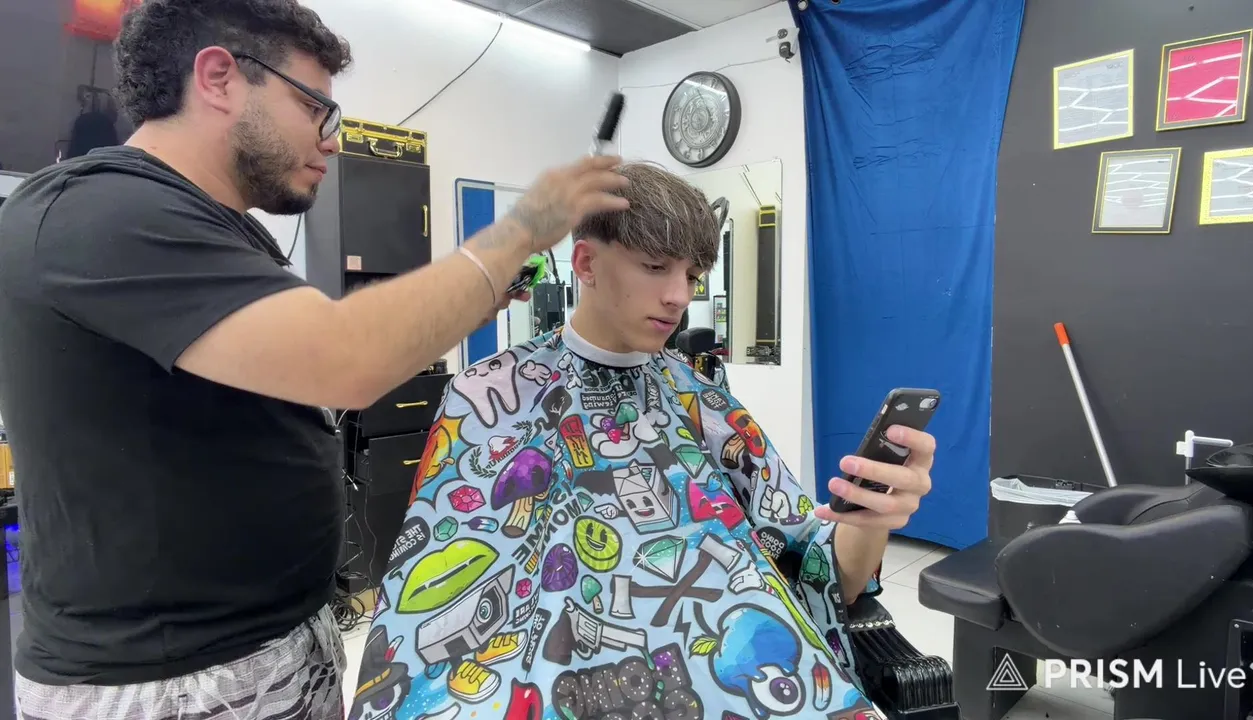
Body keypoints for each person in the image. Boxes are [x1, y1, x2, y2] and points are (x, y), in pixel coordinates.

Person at [0, 0, 630, 717]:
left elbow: (301, 371)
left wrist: (474, 301)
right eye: (313, 107)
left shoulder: (223, 232)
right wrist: (521, 228)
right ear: (218, 78)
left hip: (273, 644)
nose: (331, 140)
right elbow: (344, 358)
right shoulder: (101, 212)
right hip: (170, 681)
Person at [352, 162, 935, 720]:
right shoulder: (487, 395)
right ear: (586, 262)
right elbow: (424, 607)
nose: (680, 296)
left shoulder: (704, 403)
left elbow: (822, 573)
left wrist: (873, 517)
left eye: (692, 276)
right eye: (656, 267)